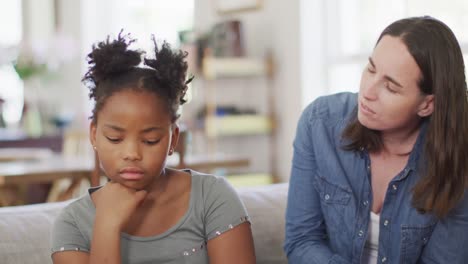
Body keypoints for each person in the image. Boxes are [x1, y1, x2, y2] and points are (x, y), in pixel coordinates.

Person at [51, 32, 255, 264]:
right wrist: (106, 225)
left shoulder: (212, 198)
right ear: (94, 134)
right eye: (115, 138)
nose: (132, 154)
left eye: (150, 140)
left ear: (173, 139)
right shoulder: (73, 224)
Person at [284, 16, 468, 264]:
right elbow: (301, 240)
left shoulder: (457, 160)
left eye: (390, 87)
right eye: (371, 69)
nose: (367, 92)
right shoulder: (320, 124)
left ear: (427, 104)